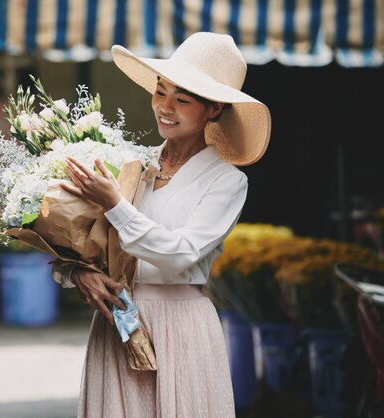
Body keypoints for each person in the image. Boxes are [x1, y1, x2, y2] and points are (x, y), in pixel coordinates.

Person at [52, 32, 271, 417]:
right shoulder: (131, 164)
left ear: (214, 109)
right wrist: (77, 272)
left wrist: (116, 204)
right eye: (160, 91)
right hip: (117, 323)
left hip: (182, 328)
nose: (165, 107)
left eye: (182, 99)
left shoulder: (227, 181)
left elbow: (181, 253)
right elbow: (91, 240)